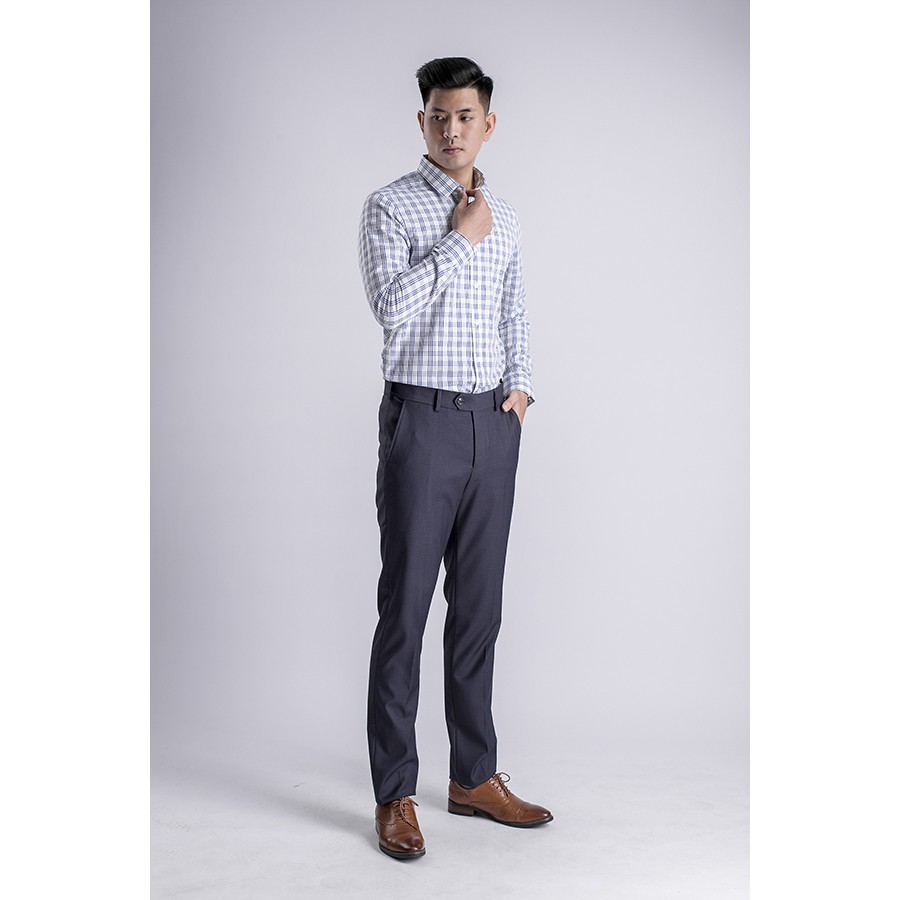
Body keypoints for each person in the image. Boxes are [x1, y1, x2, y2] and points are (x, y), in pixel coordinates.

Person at [358, 56, 553, 861]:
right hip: (423, 424)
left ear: (487, 123)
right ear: (422, 121)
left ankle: (473, 777)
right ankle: (394, 793)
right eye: (438, 115)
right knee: (405, 611)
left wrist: (522, 389)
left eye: (465, 115)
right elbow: (391, 312)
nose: (451, 129)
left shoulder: (506, 216)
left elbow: (514, 308)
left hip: (491, 428)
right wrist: (454, 242)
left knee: (479, 611)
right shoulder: (390, 206)